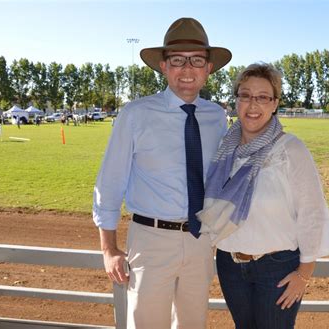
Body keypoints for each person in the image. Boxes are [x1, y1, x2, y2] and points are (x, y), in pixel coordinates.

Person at [92, 17, 232, 329]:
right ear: (164, 66)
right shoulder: (135, 115)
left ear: (209, 68)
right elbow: (110, 183)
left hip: (200, 240)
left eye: (196, 60)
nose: (187, 70)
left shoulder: (216, 117)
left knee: (192, 324)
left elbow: (219, 180)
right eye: (177, 60)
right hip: (151, 240)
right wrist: (109, 250)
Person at [197, 63, 329, 328]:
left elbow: (312, 212)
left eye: (262, 97)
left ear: (275, 104)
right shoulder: (224, 149)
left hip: (276, 268)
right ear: (236, 100)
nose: (253, 105)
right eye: (246, 95)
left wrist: (304, 274)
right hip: (230, 263)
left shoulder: (290, 149)